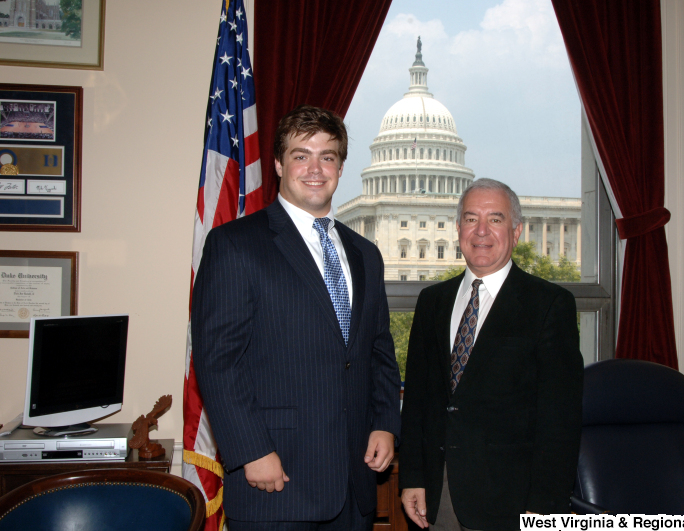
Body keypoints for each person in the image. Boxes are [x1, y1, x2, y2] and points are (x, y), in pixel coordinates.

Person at [192, 105, 401, 530]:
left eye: (327, 156)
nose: (315, 168)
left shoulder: (365, 254)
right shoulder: (235, 245)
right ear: (277, 165)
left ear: (341, 167)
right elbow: (218, 360)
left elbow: (378, 350)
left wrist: (385, 424)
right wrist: (251, 450)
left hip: (353, 483)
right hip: (276, 479)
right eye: (300, 155)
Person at [399, 178, 583, 530]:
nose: (481, 231)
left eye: (495, 219)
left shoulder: (549, 305)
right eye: (471, 219)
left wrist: (545, 507)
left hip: (513, 502)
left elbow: (559, 419)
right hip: (438, 498)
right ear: (458, 229)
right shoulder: (431, 302)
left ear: (515, 232)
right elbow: (419, 402)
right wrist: (413, 477)